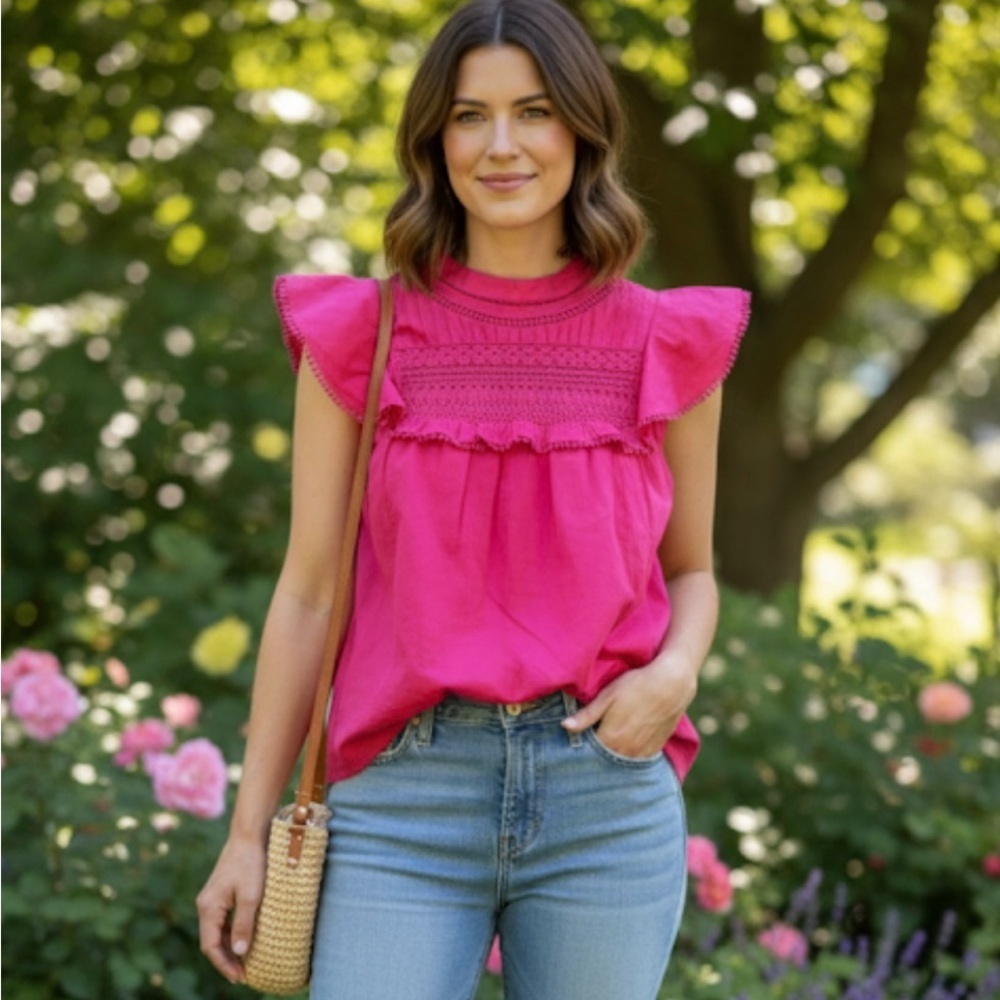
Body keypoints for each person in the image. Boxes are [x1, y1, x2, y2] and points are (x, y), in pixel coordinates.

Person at [197, 0, 750, 997]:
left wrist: (673, 675)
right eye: (468, 116)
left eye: (533, 111)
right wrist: (246, 833)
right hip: (401, 795)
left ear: (582, 131)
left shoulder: (666, 342)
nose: (501, 145)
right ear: (433, 140)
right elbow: (309, 594)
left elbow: (694, 572)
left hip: (604, 794)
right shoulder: (358, 334)